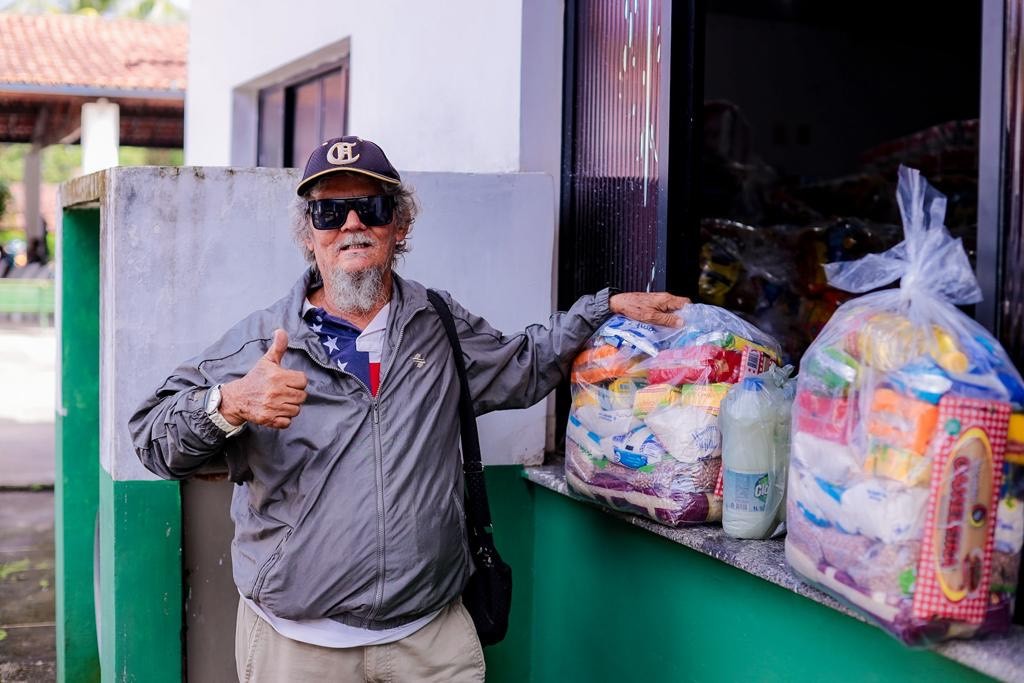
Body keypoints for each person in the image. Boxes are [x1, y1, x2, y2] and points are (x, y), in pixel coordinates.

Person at [129, 135, 688, 682]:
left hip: (430, 640)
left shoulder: (438, 324)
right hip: (298, 648)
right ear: (309, 235)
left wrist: (601, 309)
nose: (352, 224)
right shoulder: (259, 345)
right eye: (330, 212)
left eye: (370, 207)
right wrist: (228, 403)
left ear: (399, 226)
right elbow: (153, 438)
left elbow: (523, 366)